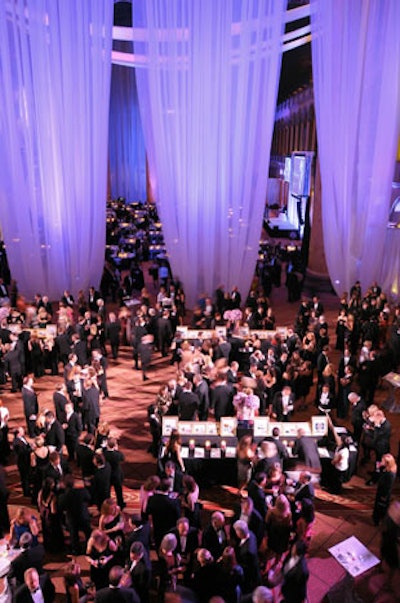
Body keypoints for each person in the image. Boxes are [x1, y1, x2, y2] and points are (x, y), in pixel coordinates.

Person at [37, 477, 64, 553]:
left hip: (43, 516)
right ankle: (56, 549)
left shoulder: (40, 492)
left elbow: (39, 504)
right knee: (54, 533)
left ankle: (47, 547)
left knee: (46, 532)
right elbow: (53, 510)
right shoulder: (52, 495)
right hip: (51, 518)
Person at [372, 453, 397, 526]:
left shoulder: (390, 474)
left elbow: (388, 486)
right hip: (381, 490)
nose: (381, 462)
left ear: (387, 463)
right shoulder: (386, 469)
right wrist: (378, 468)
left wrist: (384, 496)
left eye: (383, 461)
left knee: (380, 508)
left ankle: (377, 521)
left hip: (384, 493)